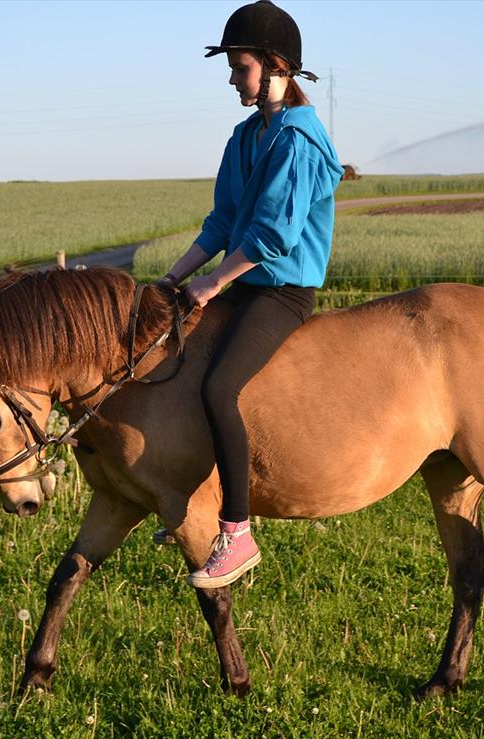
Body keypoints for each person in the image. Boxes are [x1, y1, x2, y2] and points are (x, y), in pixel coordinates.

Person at [158, 0, 344, 589]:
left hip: (282, 290)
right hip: (243, 280)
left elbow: (273, 235)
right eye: (233, 69)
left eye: (240, 68)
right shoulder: (245, 137)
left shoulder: (299, 141)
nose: (233, 80)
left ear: (275, 66)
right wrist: (170, 278)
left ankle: (236, 533)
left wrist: (211, 283)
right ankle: (192, 496)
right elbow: (221, 223)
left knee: (218, 386)